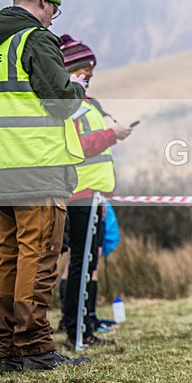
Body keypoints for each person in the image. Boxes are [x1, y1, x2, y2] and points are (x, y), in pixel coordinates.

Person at [0, 0, 90, 372]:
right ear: (42, 4)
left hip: (0, 171)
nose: (53, 20)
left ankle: (2, 347)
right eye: (54, 10)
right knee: (39, 256)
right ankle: (33, 346)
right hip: (36, 169)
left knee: (5, 258)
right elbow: (59, 102)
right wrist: (76, 88)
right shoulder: (34, 39)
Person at [59, 35, 133, 350]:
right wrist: (111, 135)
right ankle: (77, 330)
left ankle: (85, 326)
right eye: (83, 74)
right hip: (80, 194)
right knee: (81, 260)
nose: (88, 80)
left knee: (88, 262)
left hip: (94, 196)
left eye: (90, 75)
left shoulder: (85, 104)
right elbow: (78, 147)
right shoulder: (69, 106)